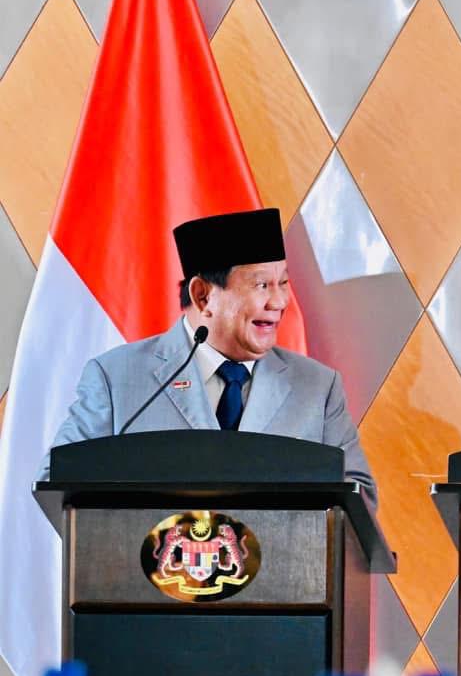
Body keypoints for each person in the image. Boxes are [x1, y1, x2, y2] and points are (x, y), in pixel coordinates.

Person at [43, 207, 375, 502]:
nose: (279, 302)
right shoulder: (115, 378)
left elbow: (357, 494)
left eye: (284, 283)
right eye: (262, 285)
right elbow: (58, 480)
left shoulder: (317, 387)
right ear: (203, 296)